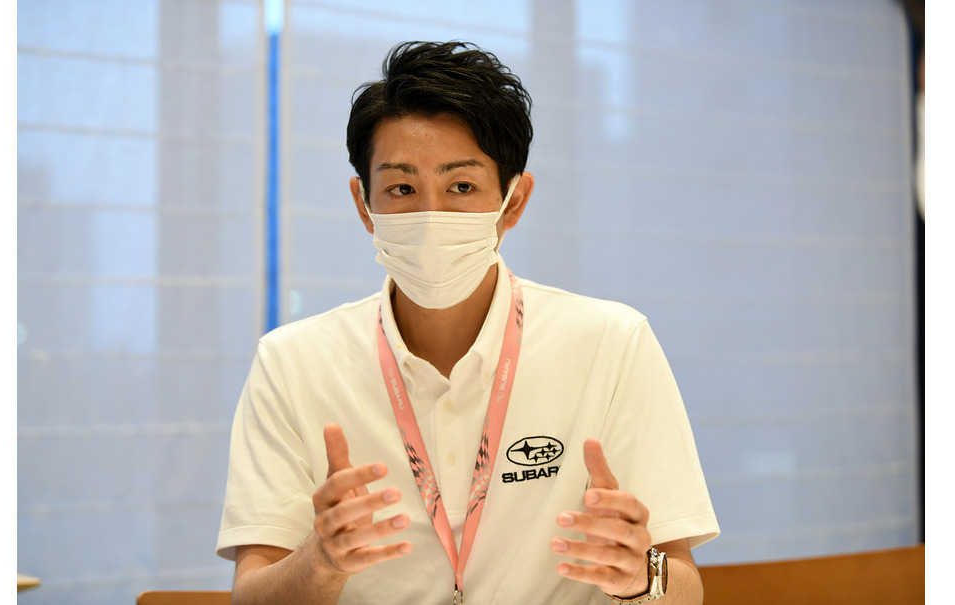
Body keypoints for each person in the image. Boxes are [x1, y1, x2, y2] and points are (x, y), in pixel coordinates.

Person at [217, 41, 719, 604]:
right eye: (402, 188)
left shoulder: (611, 343)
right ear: (364, 205)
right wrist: (323, 561)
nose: (431, 214)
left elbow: (685, 587)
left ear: (513, 201)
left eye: (461, 187)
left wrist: (640, 577)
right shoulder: (292, 362)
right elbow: (251, 596)